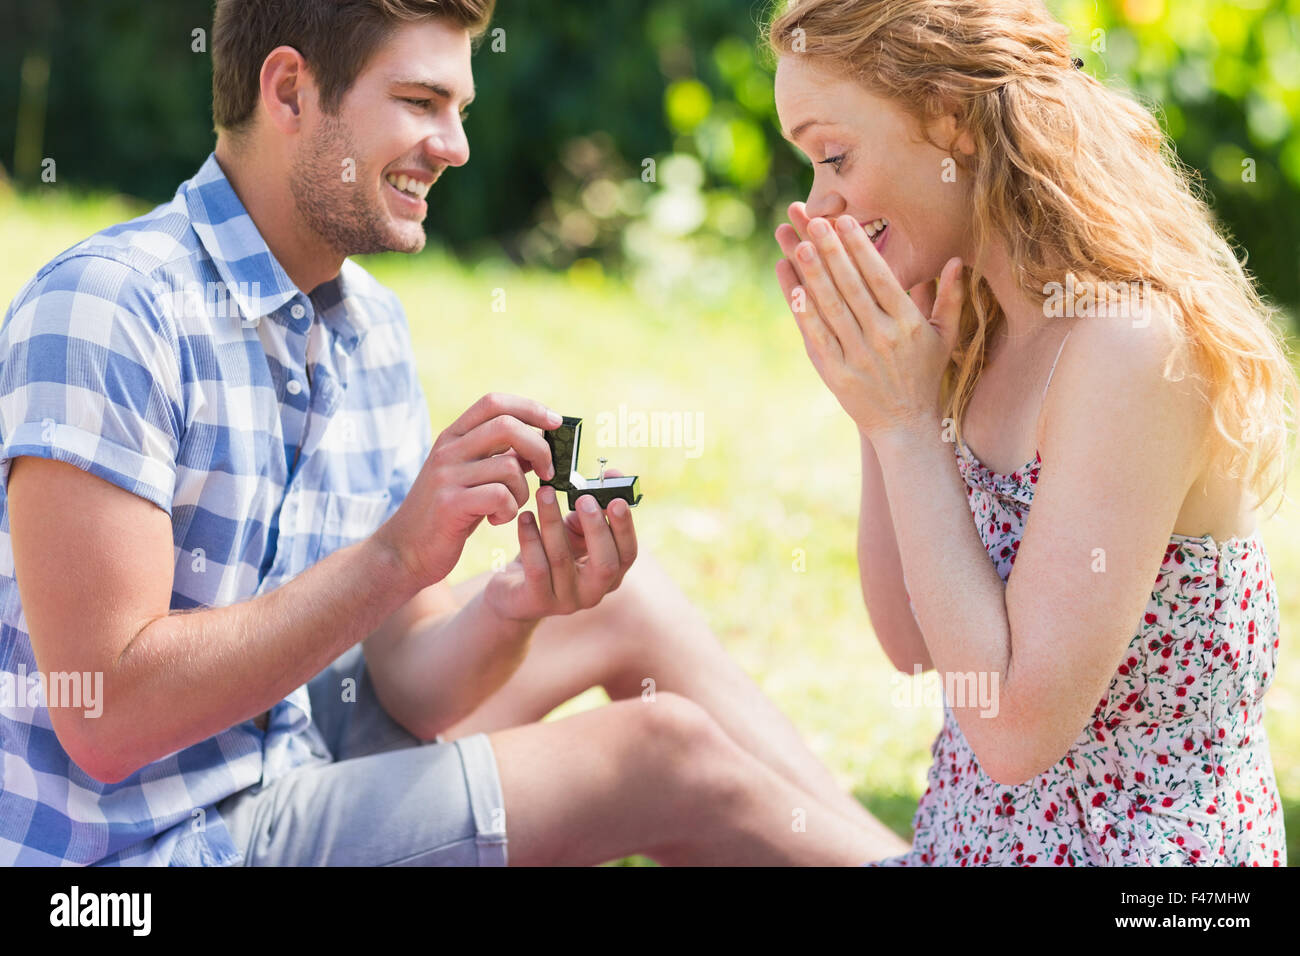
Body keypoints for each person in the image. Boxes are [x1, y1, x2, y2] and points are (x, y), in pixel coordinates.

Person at [0, 0, 908, 866]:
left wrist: (514, 604)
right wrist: (396, 555)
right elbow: (108, 721)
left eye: (460, 107)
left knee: (623, 606)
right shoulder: (111, 309)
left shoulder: (368, 327)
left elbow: (407, 684)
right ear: (287, 91)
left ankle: (917, 861)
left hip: (292, 757)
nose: (456, 146)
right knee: (655, 755)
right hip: (150, 848)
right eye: (420, 102)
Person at [767, 0, 1295, 865]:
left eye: (833, 156)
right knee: (669, 758)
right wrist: (881, 398)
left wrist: (905, 426)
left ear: (953, 120)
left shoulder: (1129, 347)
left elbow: (1013, 734)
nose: (819, 203)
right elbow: (911, 641)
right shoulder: (983, 321)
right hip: (968, 848)